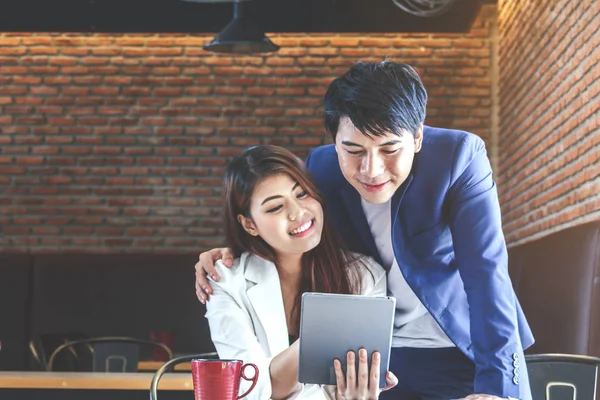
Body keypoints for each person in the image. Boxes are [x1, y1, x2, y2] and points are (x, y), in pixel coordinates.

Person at [196, 61, 534, 400]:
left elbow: (487, 274)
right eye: (353, 150)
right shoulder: (322, 168)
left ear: (417, 136)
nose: (371, 170)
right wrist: (233, 251)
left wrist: (499, 389)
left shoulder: (458, 156)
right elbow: (283, 218)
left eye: (389, 150)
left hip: (459, 348)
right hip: (375, 358)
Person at [205, 145, 398, 399]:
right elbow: (249, 387)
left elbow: (355, 389)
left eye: (302, 194)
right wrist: (323, 334)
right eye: (275, 207)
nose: (297, 213)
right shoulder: (227, 281)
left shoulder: (364, 275)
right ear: (250, 224)